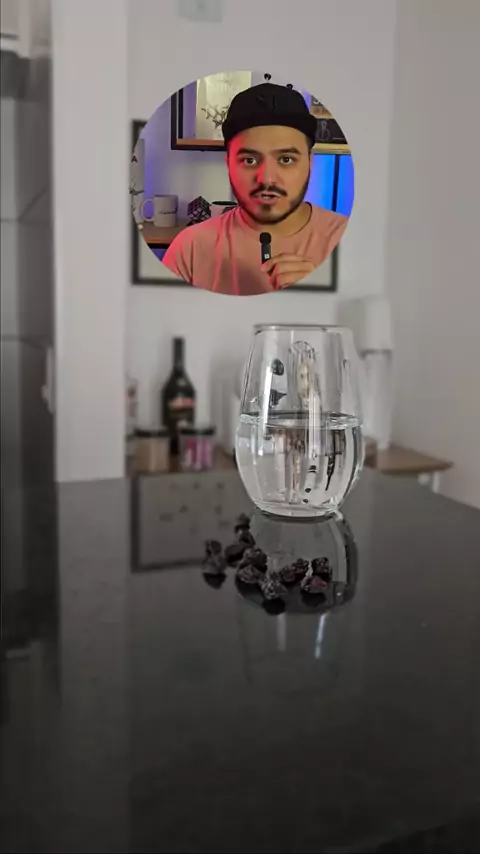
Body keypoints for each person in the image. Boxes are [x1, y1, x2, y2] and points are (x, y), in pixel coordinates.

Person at [162, 80, 349, 296]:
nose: (267, 179)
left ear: (310, 161)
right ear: (228, 163)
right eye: (249, 160)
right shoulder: (189, 249)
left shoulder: (347, 242)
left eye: (286, 159)